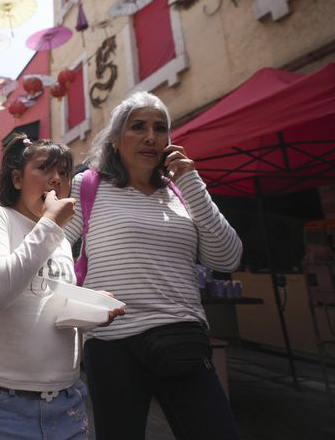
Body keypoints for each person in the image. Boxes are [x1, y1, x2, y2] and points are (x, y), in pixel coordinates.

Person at [64, 92, 242, 440]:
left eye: (160, 129)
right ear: (116, 140)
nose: (150, 137)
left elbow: (227, 257)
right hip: (112, 343)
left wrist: (191, 182)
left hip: (181, 336)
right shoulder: (88, 186)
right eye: (138, 127)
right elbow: (53, 249)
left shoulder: (181, 192)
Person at [0, 134, 124, 440]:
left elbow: (53, 305)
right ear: (17, 179)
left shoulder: (59, 238)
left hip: (66, 396)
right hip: (1, 398)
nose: (56, 180)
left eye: (64, 173)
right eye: (44, 169)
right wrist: (50, 223)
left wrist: (92, 306)